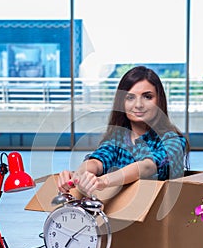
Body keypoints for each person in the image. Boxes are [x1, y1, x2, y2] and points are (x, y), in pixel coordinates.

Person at [58, 66, 190, 197]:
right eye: (130, 97)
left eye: (147, 97)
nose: (138, 104)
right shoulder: (117, 140)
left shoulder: (173, 141)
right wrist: (78, 176)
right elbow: (97, 161)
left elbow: (147, 167)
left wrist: (104, 181)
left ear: (159, 100)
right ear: (122, 103)